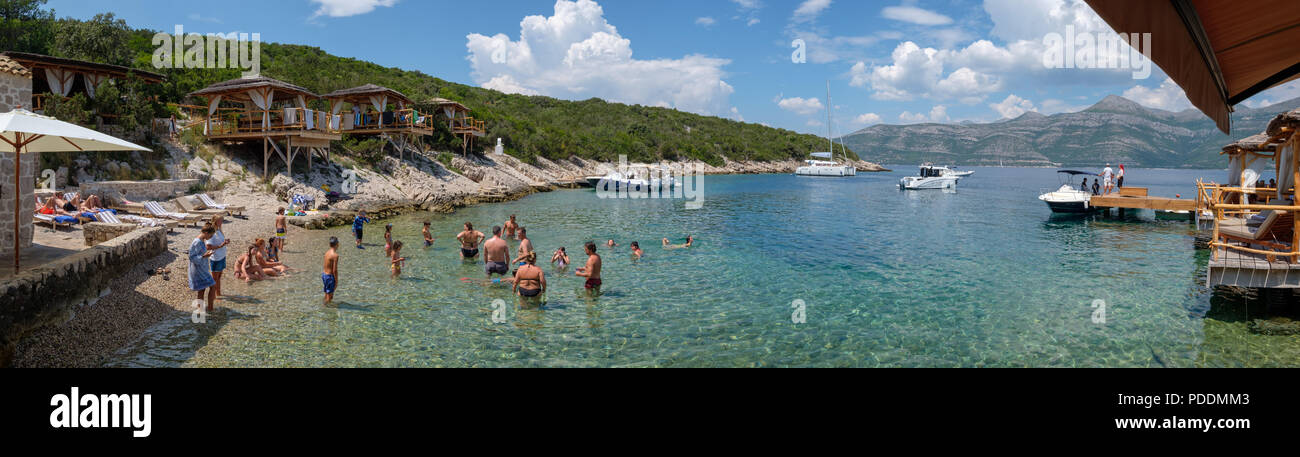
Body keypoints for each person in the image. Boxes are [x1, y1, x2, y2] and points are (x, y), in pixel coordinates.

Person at [189, 223, 218, 313]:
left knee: (202, 289)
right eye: (211, 235)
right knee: (213, 286)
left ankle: (200, 309)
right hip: (198, 270)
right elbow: (191, 257)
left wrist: (206, 255)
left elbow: (199, 254)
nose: (211, 237)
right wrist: (204, 256)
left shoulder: (201, 241)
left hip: (202, 268)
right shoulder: (197, 242)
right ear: (205, 232)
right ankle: (210, 308)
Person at [206, 214, 230, 301]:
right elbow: (208, 247)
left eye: (222, 220)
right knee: (214, 278)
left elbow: (219, 243)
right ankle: (214, 296)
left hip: (222, 256)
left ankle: (218, 294)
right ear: (215, 221)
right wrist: (221, 245)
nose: (222, 222)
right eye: (220, 220)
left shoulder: (219, 230)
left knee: (219, 277)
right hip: (215, 258)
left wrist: (225, 242)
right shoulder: (212, 232)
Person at [323, 237, 339, 306]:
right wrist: (336, 281)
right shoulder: (335, 255)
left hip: (324, 275)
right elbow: (334, 270)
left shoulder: (327, 253)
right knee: (330, 296)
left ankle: (325, 303)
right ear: (337, 244)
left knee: (327, 292)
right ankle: (326, 307)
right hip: (330, 277)